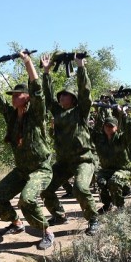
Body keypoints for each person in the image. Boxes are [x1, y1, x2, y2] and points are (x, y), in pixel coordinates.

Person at [0, 52, 54, 250]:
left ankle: (46, 232)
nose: (14, 97)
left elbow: (38, 89)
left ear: (27, 98)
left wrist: (28, 62)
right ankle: (16, 224)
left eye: (18, 95)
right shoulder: (11, 116)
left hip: (40, 169)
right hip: (21, 170)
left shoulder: (36, 114)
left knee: (27, 199)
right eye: (13, 95)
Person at [39, 53, 100, 236]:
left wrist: (80, 67)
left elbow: (85, 93)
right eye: (61, 95)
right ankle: (59, 215)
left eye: (65, 95)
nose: (61, 98)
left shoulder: (80, 112)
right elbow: (48, 97)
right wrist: (46, 72)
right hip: (64, 162)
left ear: (73, 99)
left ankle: (93, 220)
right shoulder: (58, 112)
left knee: (80, 188)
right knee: (46, 190)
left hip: (83, 160)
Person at [91, 116, 131, 212]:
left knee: (114, 181)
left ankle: (120, 206)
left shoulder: (121, 138)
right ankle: (107, 204)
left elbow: (130, 132)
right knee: (101, 182)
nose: (108, 128)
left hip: (123, 170)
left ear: (116, 127)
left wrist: (126, 117)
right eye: (106, 126)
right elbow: (91, 131)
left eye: (111, 126)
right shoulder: (100, 140)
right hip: (106, 170)